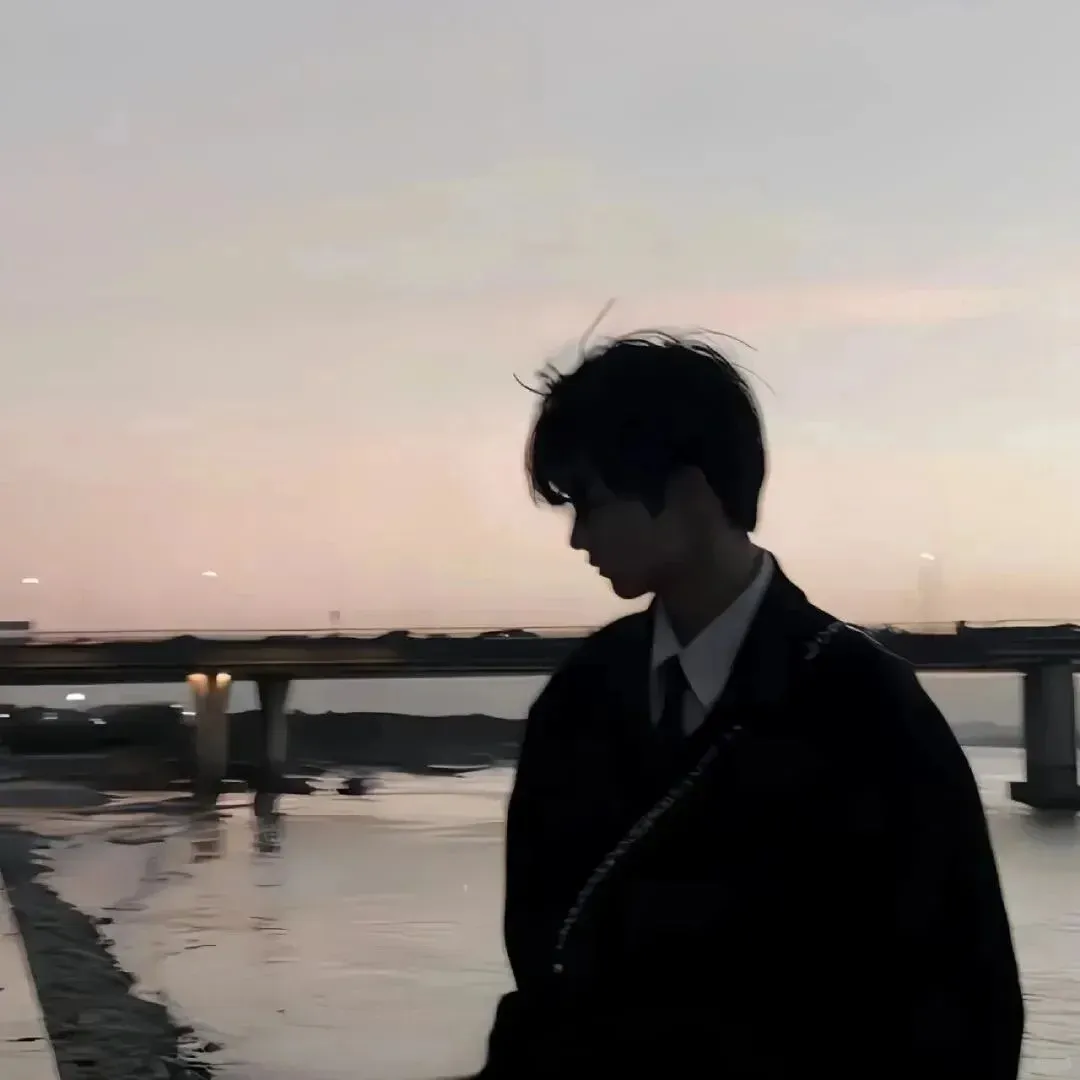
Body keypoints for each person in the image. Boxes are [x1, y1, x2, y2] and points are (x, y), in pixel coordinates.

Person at [467, 331, 1024, 1079]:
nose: (577, 537)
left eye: (591, 502)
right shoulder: (580, 697)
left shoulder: (870, 709)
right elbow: (542, 958)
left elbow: (968, 1008)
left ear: (690, 494)